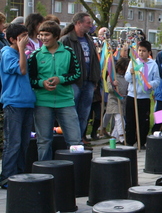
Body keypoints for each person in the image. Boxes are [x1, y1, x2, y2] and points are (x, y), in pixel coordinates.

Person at [28, 20, 82, 161]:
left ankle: (75, 173)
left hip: (65, 101)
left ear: (56, 36)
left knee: (75, 140)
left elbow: (76, 74)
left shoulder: (68, 52)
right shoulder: (35, 55)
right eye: (40, 35)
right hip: (43, 102)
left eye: (47, 35)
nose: (43, 38)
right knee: (44, 141)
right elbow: (30, 79)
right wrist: (41, 83)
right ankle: (44, 173)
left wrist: (60, 79)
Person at [0, 24, 36, 186]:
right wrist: (21, 50)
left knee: (24, 142)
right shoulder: (7, 53)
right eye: (22, 36)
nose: (26, 39)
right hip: (13, 102)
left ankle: (20, 173)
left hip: (27, 101)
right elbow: (21, 70)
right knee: (13, 142)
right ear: (13, 39)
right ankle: (7, 176)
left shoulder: (23, 53)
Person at [61, 12, 101, 140]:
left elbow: (94, 60)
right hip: (74, 82)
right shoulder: (66, 40)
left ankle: (78, 139)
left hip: (88, 82)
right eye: (88, 23)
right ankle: (69, 140)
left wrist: (95, 80)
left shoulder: (88, 39)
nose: (91, 26)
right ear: (78, 23)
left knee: (84, 113)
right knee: (71, 113)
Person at [124, 40, 160, 149]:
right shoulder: (133, 62)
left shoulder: (153, 64)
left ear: (149, 52)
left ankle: (142, 141)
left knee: (143, 121)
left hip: (144, 97)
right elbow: (127, 78)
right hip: (132, 95)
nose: (141, 53)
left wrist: (150, 84)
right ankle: (130, 141)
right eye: (139, 50)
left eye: (144, 51)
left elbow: (157, 80)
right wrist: (131, 73)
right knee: (130, 120)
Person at [106, 57, 128, 144]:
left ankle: (114, 137)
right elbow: (109, 89)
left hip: (123, 101)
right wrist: (113, 85)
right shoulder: (112, 76)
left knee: (120, 119)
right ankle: (122, 137)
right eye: (120, 69)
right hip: (114, 101)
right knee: (119, 119)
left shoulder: (126, 77)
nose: (121, 71)